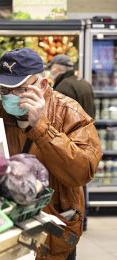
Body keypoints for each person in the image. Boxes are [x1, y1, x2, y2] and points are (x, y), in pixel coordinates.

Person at [0, 48, 102, 260]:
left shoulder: (69, 112)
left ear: (41, 85)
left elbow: (82, 172)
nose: (10, 96)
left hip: (54, 232)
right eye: (5, 89)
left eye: (20, 89)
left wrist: (41, 126)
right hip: (4, 229)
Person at [48, 54, 96, 231]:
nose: (51, 71)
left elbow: (60, 118)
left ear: (58, 69)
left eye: (53, 67)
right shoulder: (85, 84)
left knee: (72, 183)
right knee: (84, 180)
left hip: (69, 141)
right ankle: (84, 218)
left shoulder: (63, 87)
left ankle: (77, 217)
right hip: (86, 137)